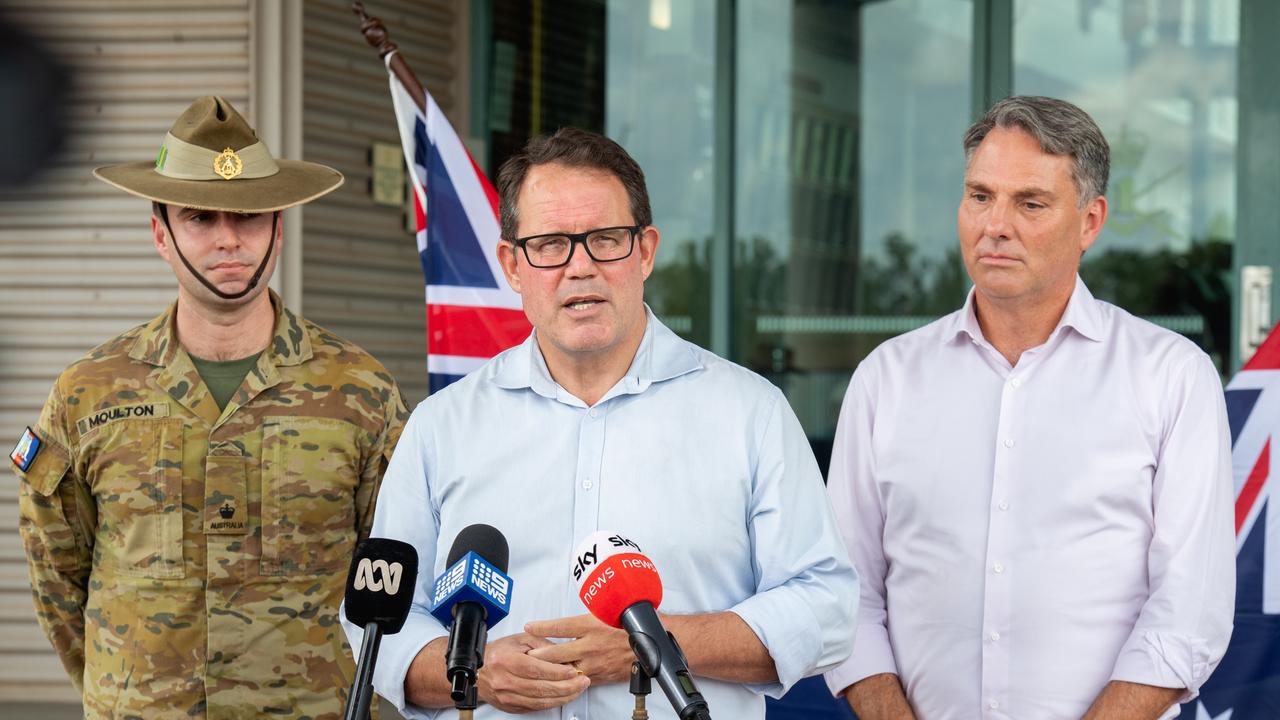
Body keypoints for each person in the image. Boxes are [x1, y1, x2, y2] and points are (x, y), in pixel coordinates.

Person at [344, 127, 859, 719]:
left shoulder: (752, 414)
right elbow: (377, 621)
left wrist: (652, 645)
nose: (580, 267)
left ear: (645, 250)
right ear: (512, 265)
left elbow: (827, 608)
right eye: (550, 244)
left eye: (606, 240)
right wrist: (473, 672)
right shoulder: (442, 426)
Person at [822, 95, 1235, 720]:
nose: (995, 225)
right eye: (980, 195)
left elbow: (1189, 612)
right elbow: (844, 590)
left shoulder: (1170, 377)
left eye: (1030, 203)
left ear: (1091, 221)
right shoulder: (887, 379)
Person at [11, 96, 409, 719]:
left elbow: (391, 569)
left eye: (250, 217)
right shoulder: (89, 390)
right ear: (160, 233)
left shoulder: (360, 390)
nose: (228, 239)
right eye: (199, 217)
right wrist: (125, 692)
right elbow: (57, 573)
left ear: (279, 228)